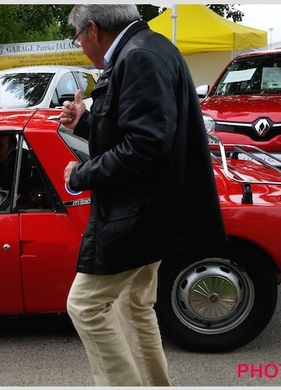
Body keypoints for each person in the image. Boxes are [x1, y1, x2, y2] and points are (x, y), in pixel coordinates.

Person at [59, 5, 227, 386]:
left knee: (85, 306)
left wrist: (81, 173)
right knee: (136, 307)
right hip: (153, 211)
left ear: (94, 29)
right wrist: (85, 121)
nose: (80, 45)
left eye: (78, 37)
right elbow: (143, 131)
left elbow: (146, 146)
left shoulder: (137, 58)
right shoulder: (150, 47)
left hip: (137, 215)